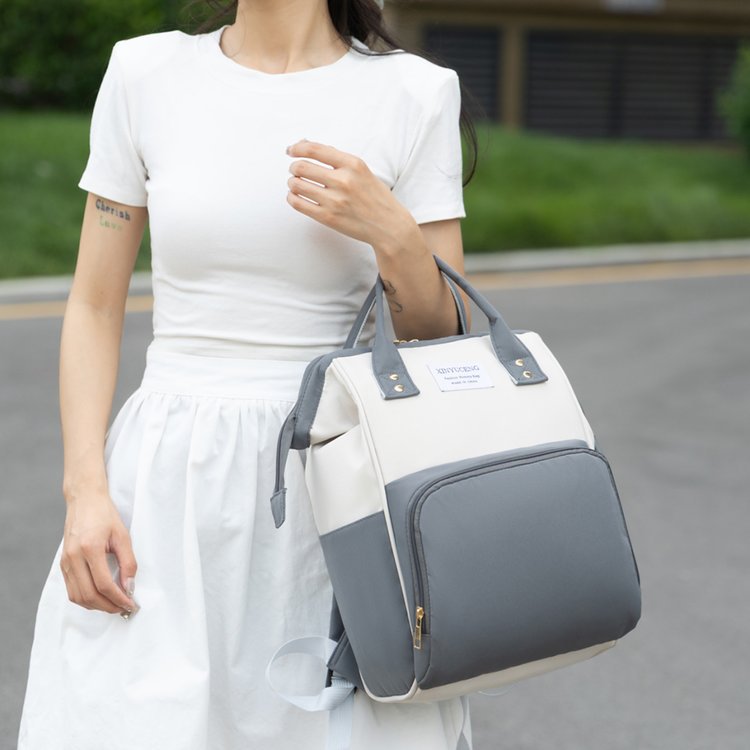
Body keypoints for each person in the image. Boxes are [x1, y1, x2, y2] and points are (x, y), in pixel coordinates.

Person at [16, 0, 479, 747]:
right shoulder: (144, 73)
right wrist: (85, 492)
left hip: (338, 486)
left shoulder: (414, 93)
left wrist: (392, 232)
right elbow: (94, 305)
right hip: (164, 490)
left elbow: (441, 337)